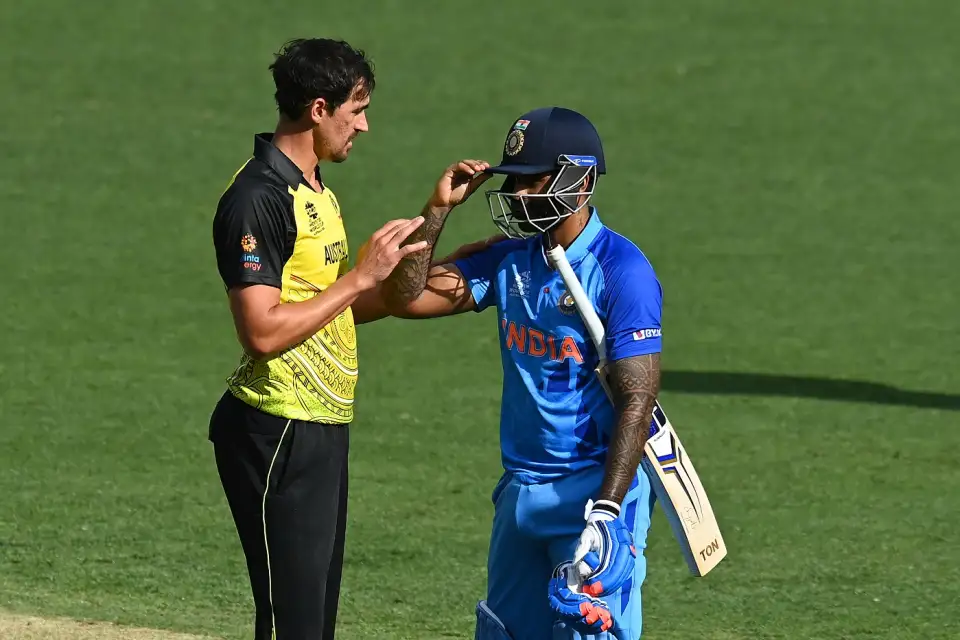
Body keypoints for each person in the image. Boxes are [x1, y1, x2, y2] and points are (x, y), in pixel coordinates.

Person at [380, 107, 663, 639]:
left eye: (533, 181)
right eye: (515, 182)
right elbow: (405, 298)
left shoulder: (622, 272)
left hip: (591, 498)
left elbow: (638, 399)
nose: (517, 196)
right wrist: (438, 211)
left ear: (579, 181)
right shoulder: (509, 261)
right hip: (519, 493)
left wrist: (606, 511)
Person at [208, 38, 433, 640]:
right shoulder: (258, 199)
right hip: (274, 430)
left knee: (314, 621)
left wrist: (437, 219)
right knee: (294, 626)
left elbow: (337, 309)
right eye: (355, 109)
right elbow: (260, 331)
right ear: (317, 109)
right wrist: (359, 277)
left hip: (320, 427)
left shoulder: (315, 192)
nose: (364, 124)